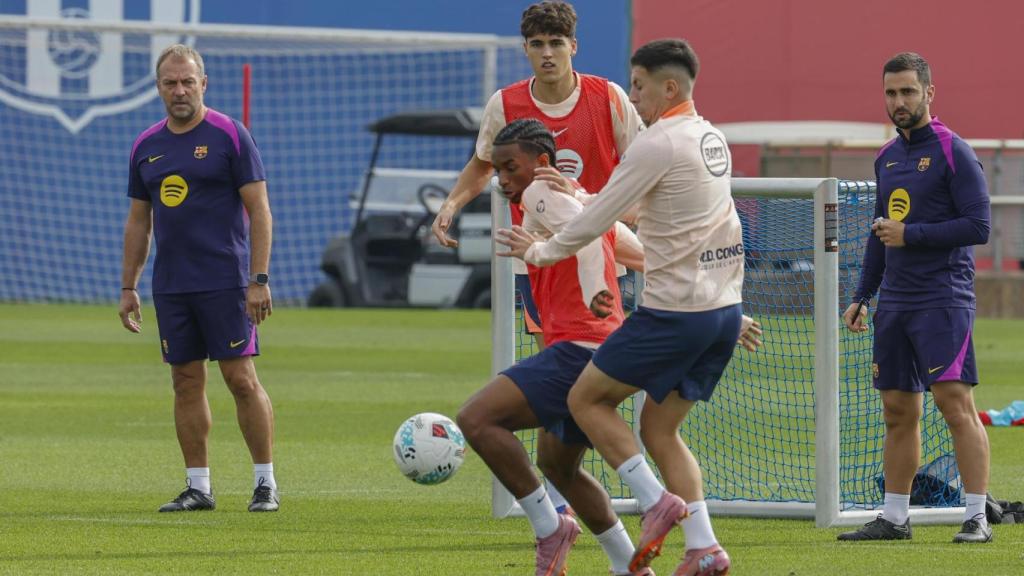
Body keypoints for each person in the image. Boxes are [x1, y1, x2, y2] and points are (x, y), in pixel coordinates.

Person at [498, 39, 749, 576]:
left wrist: (540, 250)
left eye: (638, 85)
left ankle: (657, 504)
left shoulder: (657, 143)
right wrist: (586, 194)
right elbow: (639, 206)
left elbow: (595, 223)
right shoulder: (711, 139)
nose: (631, 97)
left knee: (586, 398)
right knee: (660, 430)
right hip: (721, 310)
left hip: (674, 313)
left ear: (669, 87)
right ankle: (704, 547)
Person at [458, 118, 651, 576]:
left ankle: (549, 527)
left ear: (542, 164)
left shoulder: (539, 195)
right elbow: (642, 254)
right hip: (604, 352)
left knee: (477, 419)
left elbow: (584, 247)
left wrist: (587, 289)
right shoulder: (582, 203)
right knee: (556, 464)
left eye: (511, 168)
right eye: (498, 171)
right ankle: (631, 567)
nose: (504, 180)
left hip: (578, 349)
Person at [837, 52, 991, 544]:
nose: (898, 101)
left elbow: (978, 226)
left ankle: (976, 517)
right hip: (895, 304)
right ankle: (895, 518)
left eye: (907, 91)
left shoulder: (954, 151)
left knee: (953, 404)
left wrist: (913, 233)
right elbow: (880, 233)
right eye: (890, 93)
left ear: (929, 93)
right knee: (897, 412)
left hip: (943, 299)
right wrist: (863, 295)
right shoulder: (886, 157)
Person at [118, 44, 279, 513]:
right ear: (158, 88)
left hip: (226, 283)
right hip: (171, 285)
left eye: (188, 81)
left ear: (203, 84)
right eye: (170, 82)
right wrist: (128, 286)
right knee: (185, 382)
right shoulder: (146, 146)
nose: (180, 90)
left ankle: (265, 483)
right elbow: (137, 221)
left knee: (241, 379)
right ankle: (199, 487)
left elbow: (260, 211)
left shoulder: (230, 134)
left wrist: (259, 278)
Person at [431, 0, 643, 353]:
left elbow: (640, 167)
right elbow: (482, 164)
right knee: (555, 362)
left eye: (557, 43)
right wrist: (450, 206)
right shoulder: (505, 105)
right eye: (538, 44)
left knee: (604, 364)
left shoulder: (608, 98)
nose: (548, 53)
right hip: (536, 254)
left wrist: (638, 214)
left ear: (573, 46)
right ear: (525, 48)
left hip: (603, 251)